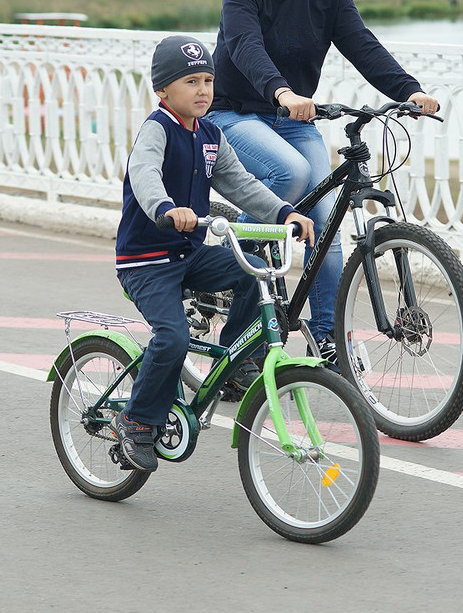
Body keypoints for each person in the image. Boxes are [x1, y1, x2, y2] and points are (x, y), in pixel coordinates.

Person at [206, 0, 439, 367]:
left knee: (326, 220)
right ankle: (235, 253)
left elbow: (362, 45)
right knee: (291, 172)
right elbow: (245, 47)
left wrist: (409, 90)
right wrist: (281, 91)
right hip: (233, 113)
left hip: (293, 119)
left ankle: (328, 337)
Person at [111, 35, 315, 472]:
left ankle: (236, 360)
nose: (203, 90)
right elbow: (144, 174)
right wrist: (165, 208)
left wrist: (286, 213)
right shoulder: (157, 129)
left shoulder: (210, 135)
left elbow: (240, 184)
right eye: (191, 82)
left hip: (188, 254)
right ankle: (136, 420)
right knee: (173, 338)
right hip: (146, 263)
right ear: (163, 90)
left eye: (208, 80)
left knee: (254, 270)